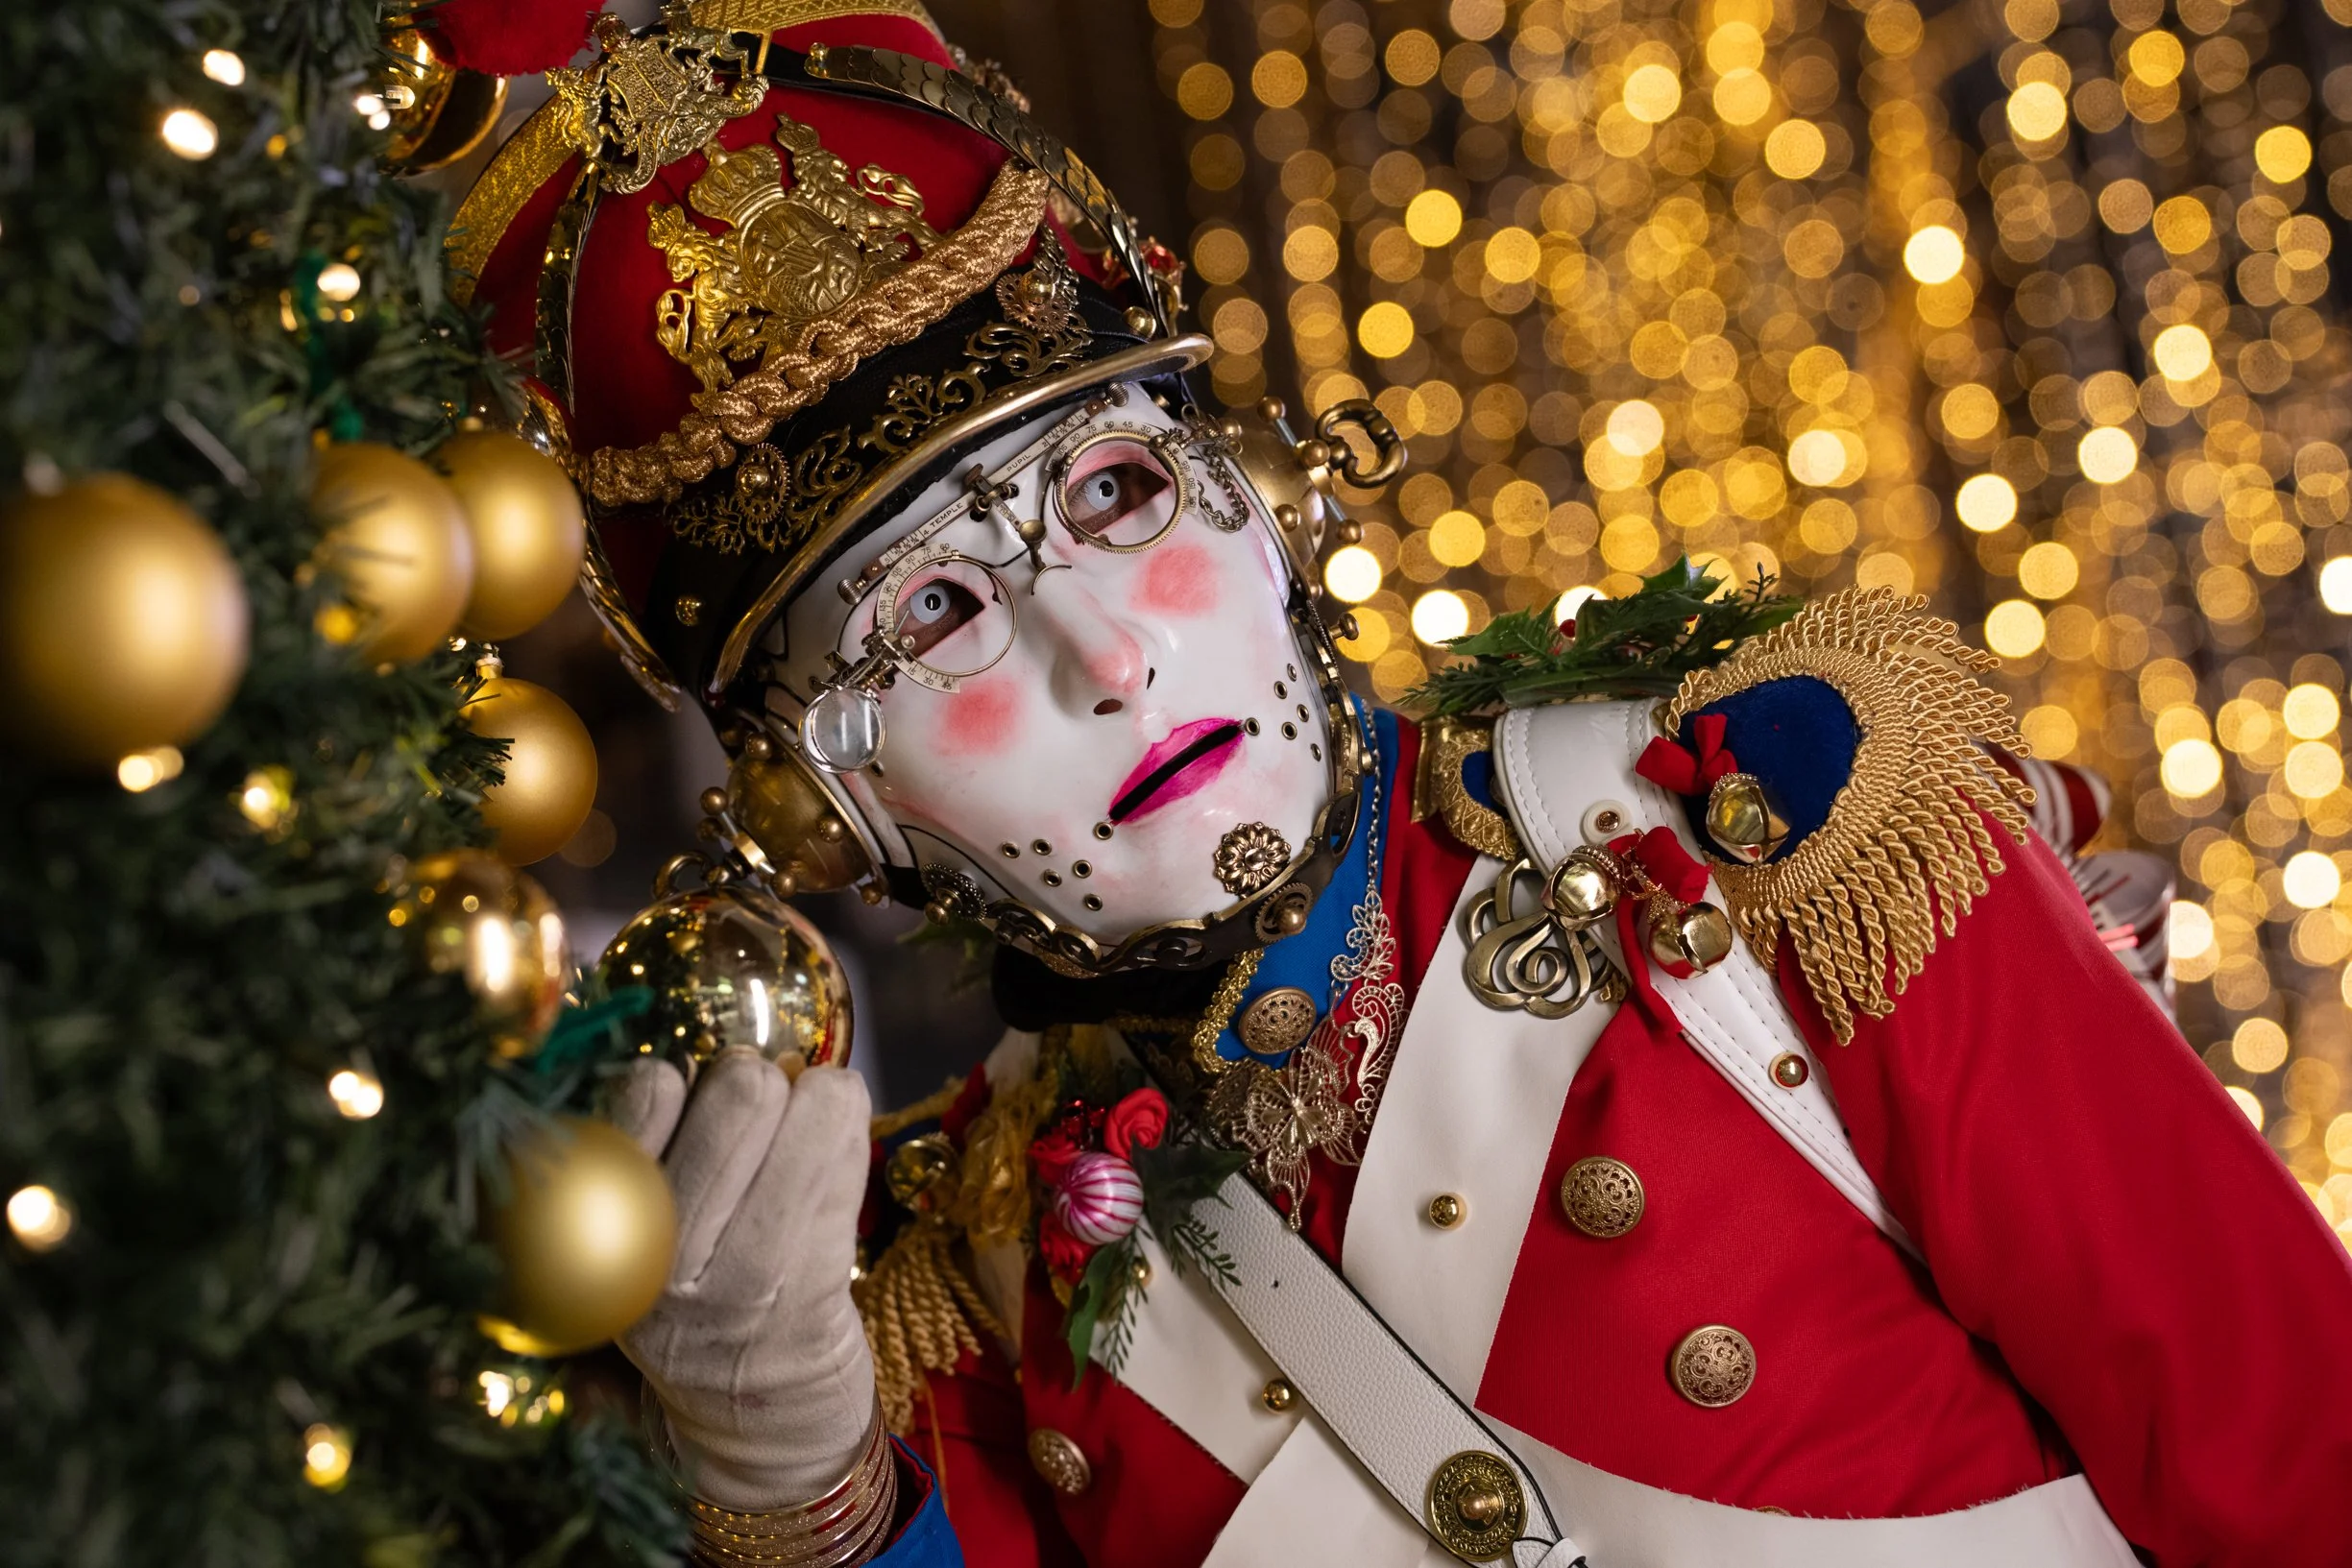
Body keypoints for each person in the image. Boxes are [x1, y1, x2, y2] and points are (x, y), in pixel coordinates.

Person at [449, 4, 2352, 1563]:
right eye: (931, 614)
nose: (1102, 653)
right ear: (822, 808)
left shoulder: (1768, 826)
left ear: (1265, 504)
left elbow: (2291, 1459)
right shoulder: (956, 1294)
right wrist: (794, 1482)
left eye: (1114, 493)